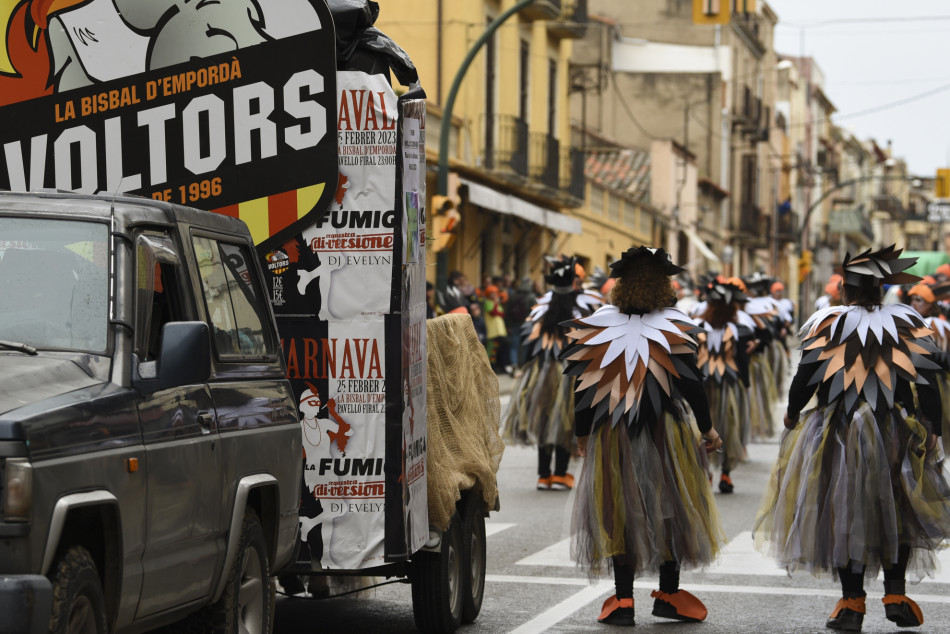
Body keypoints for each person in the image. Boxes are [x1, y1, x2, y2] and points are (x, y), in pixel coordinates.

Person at [754, 246, 950, 632]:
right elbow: (927, 382)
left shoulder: (827, 323)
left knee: (841, 513)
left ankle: (852, 604)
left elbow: (804, 378)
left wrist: (793, 414)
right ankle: (895, 593)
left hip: (836, 431)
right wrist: (935, 429)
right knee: (899, 511)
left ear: (844, 289)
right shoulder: (907, 322)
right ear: (880, 288)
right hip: (895, 429)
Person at [560, 246, 725, 626]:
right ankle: (669, 594)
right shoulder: (673, 325)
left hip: (612, 433)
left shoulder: (600, 324)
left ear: (621, 283)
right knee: (672, 507)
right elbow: (692, 383)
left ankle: (622, 601)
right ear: (662, 283)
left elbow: (584, 389)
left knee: (618, 508)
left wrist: (582, 434)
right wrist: (706, 427)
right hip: (665, 431)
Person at [502, 254, 601, 491]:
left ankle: (543, 475)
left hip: (541, 370)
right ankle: (560, 474)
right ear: (573, 280)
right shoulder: (585, 304)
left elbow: (530, 336)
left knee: (545, 419)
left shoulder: (543, 304)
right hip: (570, 371)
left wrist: (523, 368)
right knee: (566, 421)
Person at [695, 279, 754, 493]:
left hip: (704, 385)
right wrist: (745, 385)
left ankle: (709, 473)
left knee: (704, 425)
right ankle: (725, 474)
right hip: (729, 386)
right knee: (729, 426)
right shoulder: (738, 329)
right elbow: (742, 361)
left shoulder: (696, 327)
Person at [482, 284, 508, 372]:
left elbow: (502, 314)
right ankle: (489, 367)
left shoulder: (496, 303)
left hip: (500, 330)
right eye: (491, 293)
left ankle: (498, 366)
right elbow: (494, 313)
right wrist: (497, 303)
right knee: (491, 349)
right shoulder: (487, 303)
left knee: (497, 350)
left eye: (494, 293)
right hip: (492, 331)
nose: (494, 295)